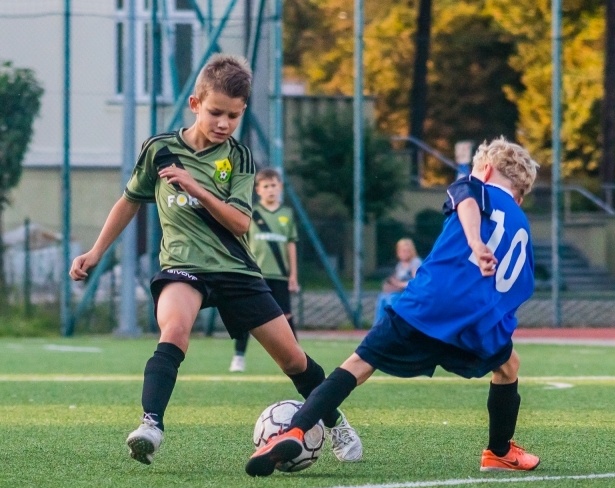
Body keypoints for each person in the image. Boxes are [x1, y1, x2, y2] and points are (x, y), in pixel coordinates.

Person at [69, 54, 362, 467]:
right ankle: (150, 425)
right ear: (195, 104)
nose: (224, 123)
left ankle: (336, 423)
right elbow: (129, 200)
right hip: (183, 267)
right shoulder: (160, 150)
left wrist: (196, 188)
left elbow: (240, 223)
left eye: (233, 116)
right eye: (216, 113)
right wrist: (96, 251)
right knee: (174, 330)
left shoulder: (238, 158)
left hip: (235, 269)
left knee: (293, 359)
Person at [246, 136, 541, 477]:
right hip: (479, 320)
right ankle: (499, 452)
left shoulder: (474, 186)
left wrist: (475, 241)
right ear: (519, 194)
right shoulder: (521, 225)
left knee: (359, 364)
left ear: (485, 170)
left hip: (427, 305)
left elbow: (468, 202)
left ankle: (296, 429)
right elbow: (521, 287)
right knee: (508, 366)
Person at [230, 168, 299, 373]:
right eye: (266, 186)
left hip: (280, 275)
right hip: (255, 275)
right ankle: (239, 356)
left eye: (274, 185)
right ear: (258, 190)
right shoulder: (251, 213)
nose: (270, 190)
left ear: (280, 187)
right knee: (246, 315)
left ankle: (297, 357)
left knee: (286, 315)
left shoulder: (286, 214)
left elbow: (291, 245)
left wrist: (293, 275)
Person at [373, 238, 421, 324]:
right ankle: (378, 325)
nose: (404, 253)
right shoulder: (400, 265)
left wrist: (399, 284)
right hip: (399, 291)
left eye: (407, 251)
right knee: (382, 297)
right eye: (402, 251)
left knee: (392, 298)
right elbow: (396, 280)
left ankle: (393, 324)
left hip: (410, 293)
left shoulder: (415, 262)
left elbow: (416, 282)